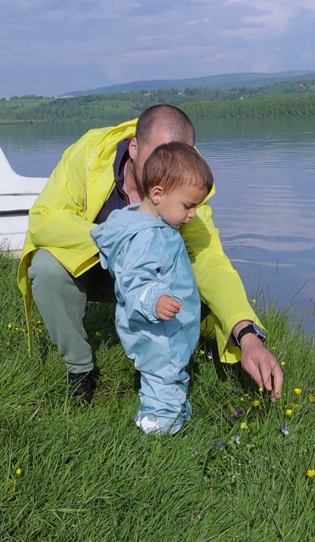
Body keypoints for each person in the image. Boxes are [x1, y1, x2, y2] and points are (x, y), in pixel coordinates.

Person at [17, 103, 284, 404]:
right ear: (134, 147)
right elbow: (44, 219)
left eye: (177, 159)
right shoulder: (91, 153)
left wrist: (247, 336)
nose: (167, 171)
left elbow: (210, 261)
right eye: (156, 158)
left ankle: (191, 346)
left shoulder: (185, 176)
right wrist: (123, 241)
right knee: (46, 268)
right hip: (95, 267)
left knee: (195, 275)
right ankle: (80, 370)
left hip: (157, 282)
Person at [90, 141, 210, 434]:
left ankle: (173, 409)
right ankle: (158, 428)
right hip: (160, 330)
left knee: (170, 373)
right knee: (163, 376)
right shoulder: (146, 237)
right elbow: (134, 280)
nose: (193, 214)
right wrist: (155, 300)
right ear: (158, 194)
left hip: (168, 326)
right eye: (188, 206)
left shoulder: (149, 222)